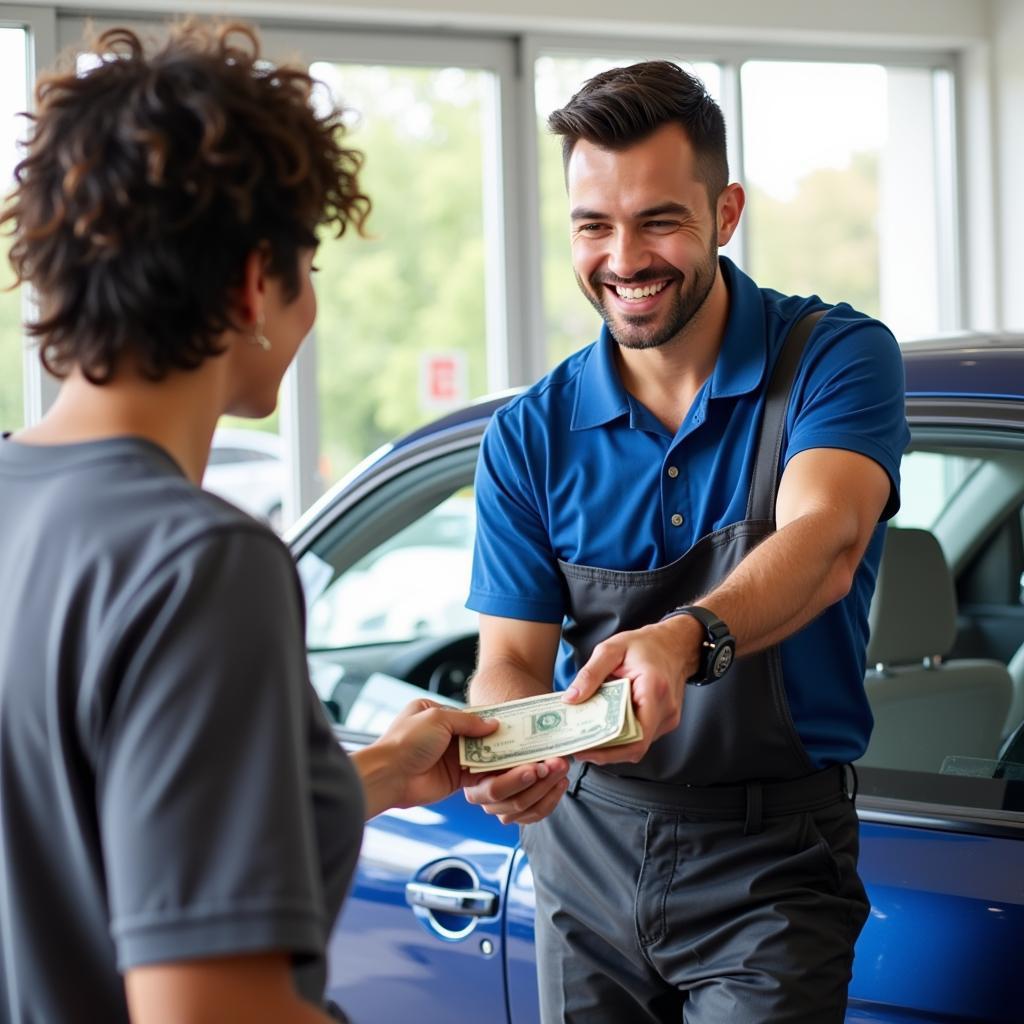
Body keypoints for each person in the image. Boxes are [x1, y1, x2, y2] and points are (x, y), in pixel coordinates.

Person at [0, 21, 497, 1024]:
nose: (309, 305)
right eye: (304, 266)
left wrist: (378, 775)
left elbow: (99, 828)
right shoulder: (199, 565)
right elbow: (209, 1007)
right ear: (249, 282)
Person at [465, 61, 910, 1023]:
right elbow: (507, 658)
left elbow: (826, 543)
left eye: (659, 220)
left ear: (726, 212)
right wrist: (512, 745)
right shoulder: (529, 434)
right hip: (584, 850)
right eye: (594, 225)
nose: (624, 257)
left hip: (772, 863)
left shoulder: (834, 359)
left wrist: (683, 638)